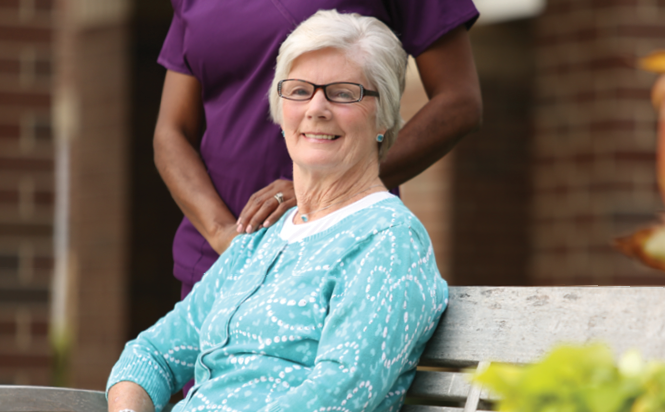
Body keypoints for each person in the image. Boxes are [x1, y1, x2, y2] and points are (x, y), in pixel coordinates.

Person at [27, 11, 448, 412]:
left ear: (385, 117)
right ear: (280, 107)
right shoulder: (261, 239)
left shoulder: (389, 240)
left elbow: (336, 395)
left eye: (344, 93)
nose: (316, 107)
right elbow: (156, 351)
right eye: (299, 90)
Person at [154, 0, 481, 302]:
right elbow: (171, 132)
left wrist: (327, 190)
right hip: (217, 267)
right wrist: (225, 236)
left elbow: (459, 102)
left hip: (335, 257)